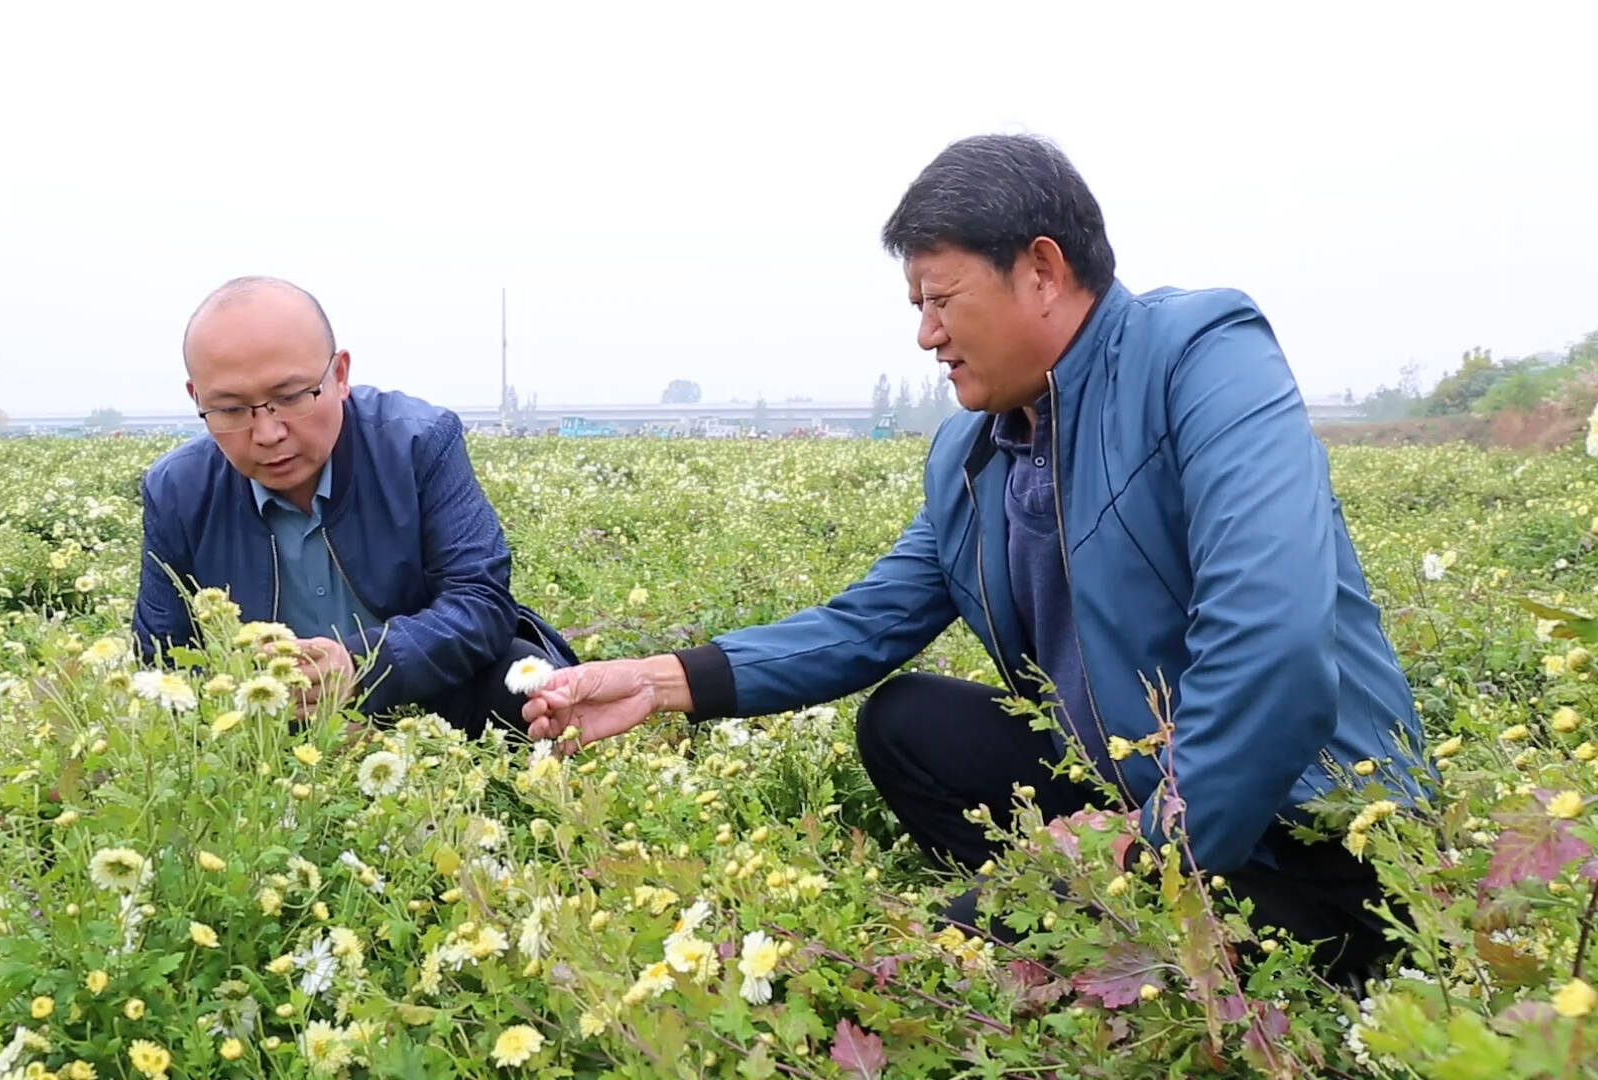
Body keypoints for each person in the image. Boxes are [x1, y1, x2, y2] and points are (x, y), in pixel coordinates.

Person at [522, 135, 1424, 982]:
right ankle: (1120, 919)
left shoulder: (1198, 356)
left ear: (1040, 270)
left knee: (967, 954)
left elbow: (1273, 638)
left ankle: (1186, 923)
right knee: (907, 722)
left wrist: (1147, 858)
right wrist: (656, 681)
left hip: (1305, 821)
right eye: (918, 307)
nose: (926, 335)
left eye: (942, 300)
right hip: (1126, 783)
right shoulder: (974, 455)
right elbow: (867, 623)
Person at [132, 276, 575, 736]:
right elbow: (164, 657)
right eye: (229, 410)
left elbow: (481, 603)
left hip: (428, 701)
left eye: (290, 397)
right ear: (196, 399)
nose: (267, 433)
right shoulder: (178, 489)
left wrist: (362, 666)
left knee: (528, 684)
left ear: (340, 374)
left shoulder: (416, 443)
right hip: (277, 727)